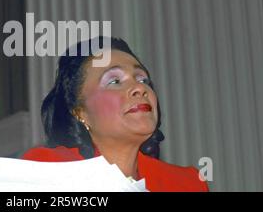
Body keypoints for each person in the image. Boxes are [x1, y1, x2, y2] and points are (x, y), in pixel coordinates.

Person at [22, 37, 208, 192]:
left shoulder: (188, 183)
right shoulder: (47, 170)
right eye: (115, 81)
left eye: (142, 79)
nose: (139, 88)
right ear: (80, 112)